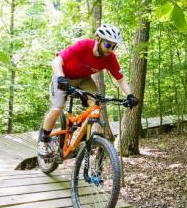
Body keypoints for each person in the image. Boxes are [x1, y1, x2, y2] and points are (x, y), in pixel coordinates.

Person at [38, 24, 138, 156]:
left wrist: (130, 95)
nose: (111, 50)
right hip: (63, 76)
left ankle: (85, 137)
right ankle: (43, 140)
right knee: (57, 108)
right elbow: (57, 61)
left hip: (84, 79)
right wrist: (60, 78)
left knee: (97, 105)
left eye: (114, 46)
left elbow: (120, 79)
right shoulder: (83, 46)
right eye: (108, 45)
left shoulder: (110, 58)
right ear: (98, 39)